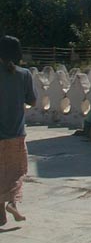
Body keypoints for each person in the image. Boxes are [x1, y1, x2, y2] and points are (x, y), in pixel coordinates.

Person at [0, 35, 37, 225]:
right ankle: (11, 203)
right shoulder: (24, 74)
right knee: (16, 171)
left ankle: (3, 210)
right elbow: (32, 100)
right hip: (16, 133)